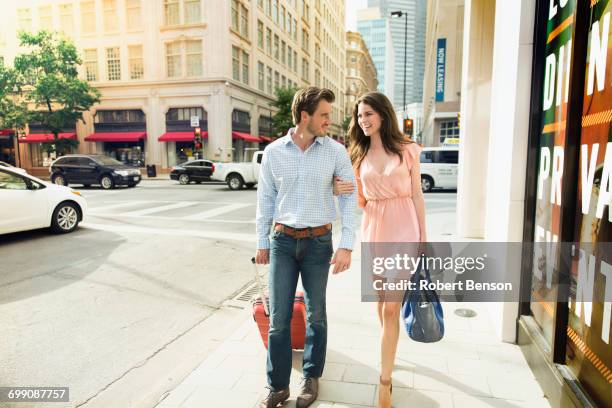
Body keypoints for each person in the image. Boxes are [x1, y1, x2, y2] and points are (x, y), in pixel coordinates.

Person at [255, 86, 357, 408]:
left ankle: (311, 378)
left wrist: (347, 245)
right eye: (324, 115)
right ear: (305, 116)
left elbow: (350, 194)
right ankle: (278, 387)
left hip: (318, 243)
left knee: (316, 317)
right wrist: (262, 243)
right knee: (279, 319)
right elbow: (265, 201)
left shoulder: (336, 152)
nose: (330, 120)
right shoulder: (273, 152)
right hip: (282, 242)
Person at [336, 91, 427, 408]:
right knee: (380, 303)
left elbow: (416, 196)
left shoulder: (407, 151)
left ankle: (385, 382)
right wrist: (344, 188)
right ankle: (389, 347)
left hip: (404, 228)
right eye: (359, 116)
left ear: (384, 115)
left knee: (391, 308)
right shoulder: (357, 156)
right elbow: (359, 201)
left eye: (368, 114)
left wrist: (424, 240)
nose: (363, 120)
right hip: (374, 229)